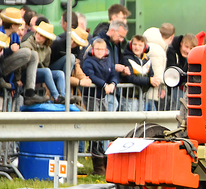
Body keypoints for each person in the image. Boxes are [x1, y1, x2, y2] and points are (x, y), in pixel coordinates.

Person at [82, 38, 118, 175]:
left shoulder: (108, 61)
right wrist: (104, 85)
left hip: (102, 97)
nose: (99, 51)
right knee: (95, 126)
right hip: (91, 96)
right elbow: (90, 76)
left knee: (104, 126)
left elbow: (114, 74)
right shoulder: (89, 62)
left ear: (105, 50)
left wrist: (113, 84)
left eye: (102, 49)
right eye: (97, 49)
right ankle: (97, 162)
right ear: (92, 49)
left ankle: (104, 159)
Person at [21, 21, 80, 104]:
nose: (38, 36)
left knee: (59, 73)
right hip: (26, 73)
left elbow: (46, 64)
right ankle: (56, 97)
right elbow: (22, 65)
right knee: (47, 71)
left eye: (42, 35)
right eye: (38, 33)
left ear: (46, 38)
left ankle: (63, 96)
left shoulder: (47, 49)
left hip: (39, 73)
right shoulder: (27, 44)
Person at [0, 8, 48, 105]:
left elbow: (16, 63)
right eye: (18, 24)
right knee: (26, 52)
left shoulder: (15, 37)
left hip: (7, 69)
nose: (20, 27)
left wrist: (14, 81)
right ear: (13, 25)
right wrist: (9, 50)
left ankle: (29, 91)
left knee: (33, 54)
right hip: (1, 67)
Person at [120, 35, 160, 111]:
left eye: (140, 45)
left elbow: (151, 75)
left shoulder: (147, 60)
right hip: (129, 99)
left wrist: (154, 81)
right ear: (130, 45)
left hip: (142, 98)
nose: (137, 47)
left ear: (145, 47)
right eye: (134, 44)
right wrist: (149, 80)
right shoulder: (126, 59)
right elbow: (131, 78)